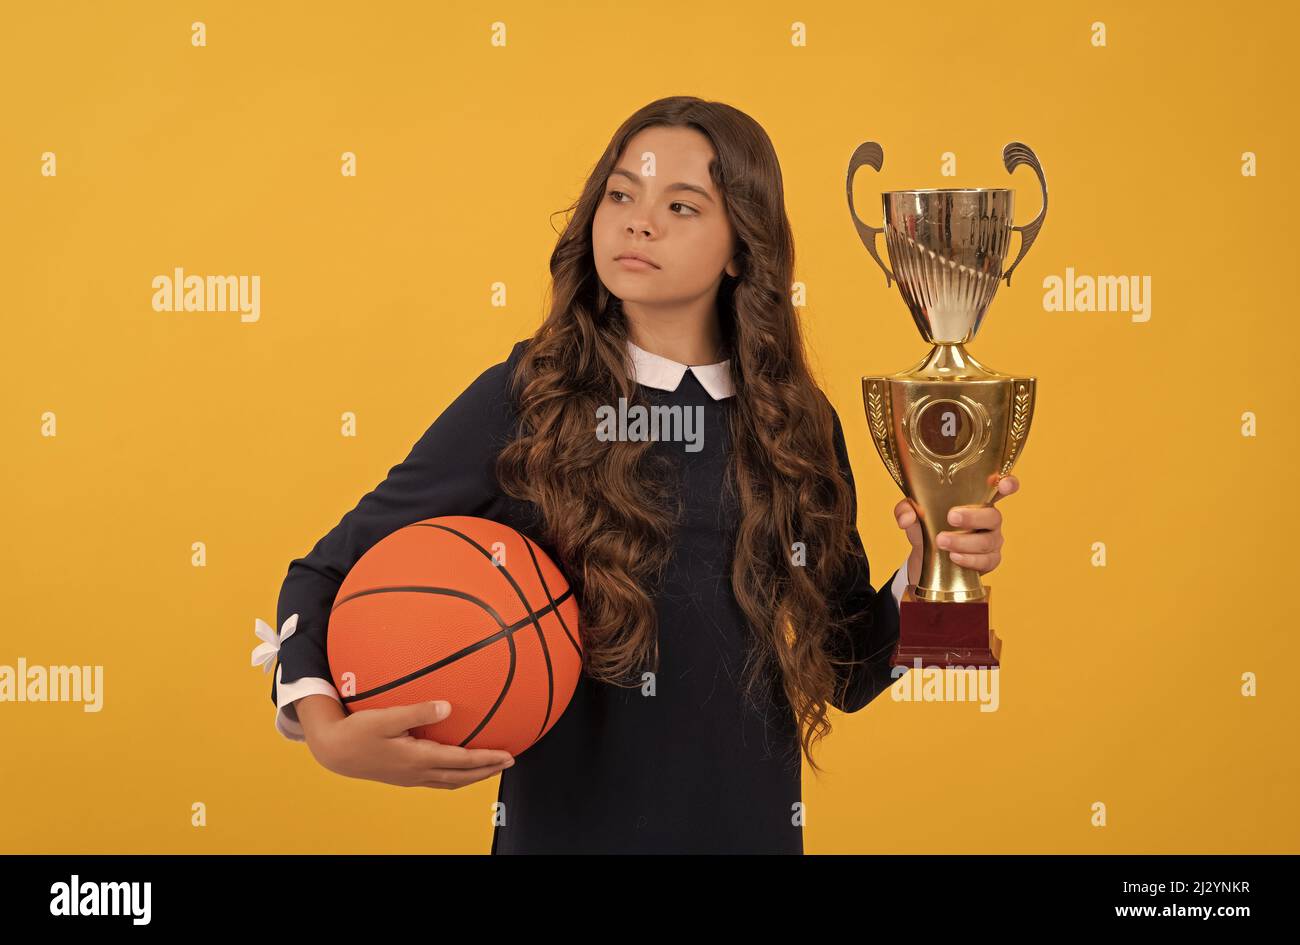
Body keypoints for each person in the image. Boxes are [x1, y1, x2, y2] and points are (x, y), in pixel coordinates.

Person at [257, 96, 1020, 854]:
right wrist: (324, 729)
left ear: (740, 247)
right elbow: (324, 570)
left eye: (681, 206)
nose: (638, 220)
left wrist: (939, 570)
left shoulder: (798, 421)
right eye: (621, 193)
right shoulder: (528, 396)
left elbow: (849, 670)